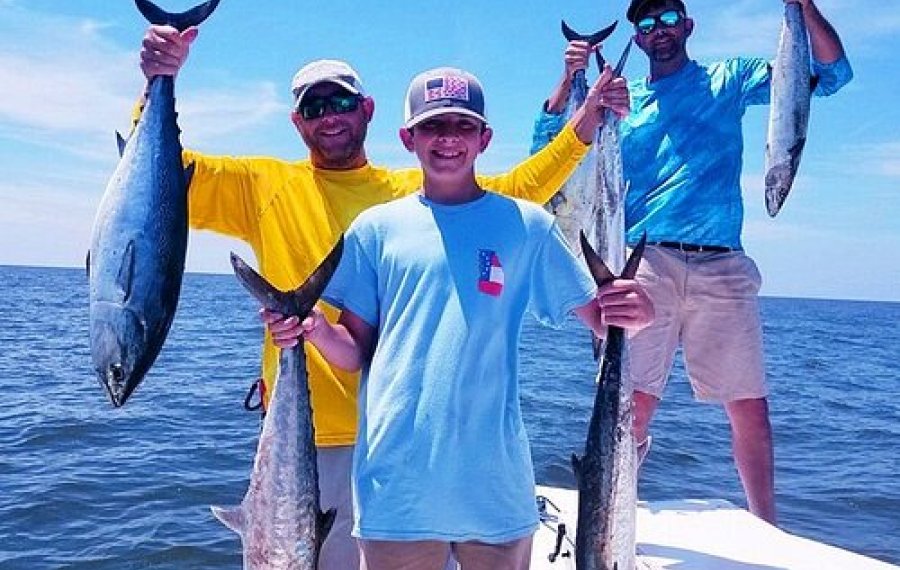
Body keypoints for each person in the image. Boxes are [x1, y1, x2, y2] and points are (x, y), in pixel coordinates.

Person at [137, 23, 621, 570]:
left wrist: (583, 126)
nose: (330, 115)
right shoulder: (258, 184)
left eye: (341, 101)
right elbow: (155, 178)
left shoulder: (402, 197)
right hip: (308, 432)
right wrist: (158, 78)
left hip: (392, 448)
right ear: (297, 122)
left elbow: (515, 198)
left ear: (368, 110)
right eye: (314, 107)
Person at [263, 65, 654, 570]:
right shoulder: (374, 231)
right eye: (432, 126)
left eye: (463, 126)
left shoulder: (527, 226)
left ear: (484, 138)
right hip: (396, 491)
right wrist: (312, 328)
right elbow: (355, 351)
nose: (448, 138)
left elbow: (605, 323)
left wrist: (637, 311)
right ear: (408, 138)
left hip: (495, 491)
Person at [531, 0, 852, 525]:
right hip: (643, 261)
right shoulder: (622, 100)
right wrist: (572, 83)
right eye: (646, 24)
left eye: (666, 20)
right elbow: (549, 147)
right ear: (636, 37)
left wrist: (804, 8)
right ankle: (612, 525)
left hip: (722, 263)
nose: (657, 31)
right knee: (627, 405)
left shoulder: (729, 79)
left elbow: (831, 75)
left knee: (749, 406)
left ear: (687, 26)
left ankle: (768, 527)